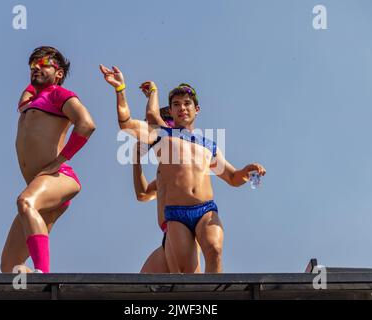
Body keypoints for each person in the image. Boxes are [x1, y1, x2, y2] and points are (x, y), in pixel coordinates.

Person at [100, 65, 266, 273]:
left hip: (205, 209)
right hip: (176, 215)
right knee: (187, 272)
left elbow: (233, 177)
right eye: (176, 105)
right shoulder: (161, 136)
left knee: (214, 249)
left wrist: (246, 171)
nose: (182, 108)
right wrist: (120, 89)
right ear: (170, 111)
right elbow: (126, 123)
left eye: (187, 104)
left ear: (197, 109)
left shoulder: (208, 145)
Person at [0, 46, 96, 273]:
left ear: (59, 73)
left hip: (59, 177)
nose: (36, 68)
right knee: (9, 268)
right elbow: (28, 90)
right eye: (33, 66)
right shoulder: (29, 103)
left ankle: (43, 276)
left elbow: (87, 124)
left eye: (44, 64)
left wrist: (60, 160)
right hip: (41, 188)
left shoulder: (58, 94)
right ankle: (35, 288)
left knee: (25, 202)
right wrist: (37, 69)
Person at [134, 82, 200, 273]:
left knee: (187, 289)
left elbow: (154, 119)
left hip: (183, 233)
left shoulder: (177, 150)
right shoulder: (164, 172)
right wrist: (136, 162)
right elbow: (143, 194)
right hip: (168, 236)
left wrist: (153, 93)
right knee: (139, 287)